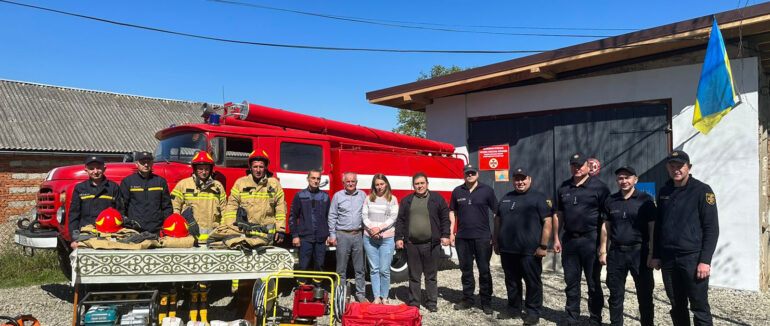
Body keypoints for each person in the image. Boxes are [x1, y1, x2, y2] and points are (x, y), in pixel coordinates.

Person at [650, 150, 719, 326]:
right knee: (676, 305)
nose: (676, 170)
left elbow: (711, 229)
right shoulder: (665, 190)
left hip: (693, 259)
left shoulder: (703, 191)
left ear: (689, 167)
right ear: (667, 167)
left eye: (680, 166)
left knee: (699, 306)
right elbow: (659, 226)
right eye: (672, 166)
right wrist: (656, 254)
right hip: (669, 260)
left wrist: (705, 261)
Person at [553, 152, 609, 326]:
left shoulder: (600, 187)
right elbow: (558, 214)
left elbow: (606, 219)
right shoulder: (563, 187)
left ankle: (595, 319)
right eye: (573, 165)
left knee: (593, 284)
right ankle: (572, 319)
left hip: (591, 240)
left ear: (587, 166)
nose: (577, 168)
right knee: (571, 283)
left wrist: (603, 246)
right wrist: (556, 238)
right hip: (570, 241)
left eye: (580, 165)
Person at [493, 167, 552, 325]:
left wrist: (544, 245)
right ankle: (513, 308)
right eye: (517, 179)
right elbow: (497, 220)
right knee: (511, 281)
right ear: (513, 180)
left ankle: (533, 312)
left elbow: (548, 221)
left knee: (532, 282)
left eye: (523, 178)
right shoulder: (506, 197)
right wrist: (496, 241)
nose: (520, 182)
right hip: (507, 249)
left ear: (529, 179)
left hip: (530, 251)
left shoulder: (538, 198)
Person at [599, 166, 655, 326]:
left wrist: (652, 252)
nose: (624, 181)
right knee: (615, 295)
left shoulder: (646, 200)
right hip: (616, 252)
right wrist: (603, 250)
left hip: (640, 253)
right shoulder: (610, 200)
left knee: (645, 296)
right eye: (620, 178)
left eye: (627, 177)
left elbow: (653, 228)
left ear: (635, 180)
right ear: (617, 181)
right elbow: (605, 227)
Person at [395, 172, 450, 312]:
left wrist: (445, 235)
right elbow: (400, 220)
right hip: (412, 245)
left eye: (422, 183)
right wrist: (398, 238)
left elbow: (444, 218)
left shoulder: (437, 199)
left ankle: (432, 303)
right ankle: (414, 303)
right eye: (417, 184)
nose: (419, 186)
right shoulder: (408, 200)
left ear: (427, 183)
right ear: (413, 185)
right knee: (414, 276)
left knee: (431, 276)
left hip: (432, 244)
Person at [449, 164, 497, 314]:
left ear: (477, 174)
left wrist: (495, 235)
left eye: (472, 173)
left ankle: (486, 302)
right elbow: (452, 212)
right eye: (467, 173)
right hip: (462, 238)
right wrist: (451, 232)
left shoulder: (487, 190)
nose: (469, 175)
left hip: (482, 238)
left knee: (484, 270)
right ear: (464, 175)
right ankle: (468, 299)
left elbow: (496, 213)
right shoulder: (457, 191)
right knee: (466, 270)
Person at [223, 150, 286, 243]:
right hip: (245, 235)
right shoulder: (241, 183)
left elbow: (280, 207)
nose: (258, 170)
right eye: (255, 166)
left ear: (265, 168)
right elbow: (232, 206)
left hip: (267, 236)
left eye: (261, 167)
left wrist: (280, 229)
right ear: (250, 167)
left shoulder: (274, 184)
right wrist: (232, 227)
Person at [328, 172, 368, 303]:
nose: (350, 184)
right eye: (348, 181)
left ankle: (361, 294)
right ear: (343, 183)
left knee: (360, 268)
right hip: (342, 235)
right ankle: (340, 294)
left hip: (358, 235)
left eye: (353, 181)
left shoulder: (363, 195)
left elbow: (367, 213)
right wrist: (332, 235)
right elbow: (332, 216)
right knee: (341, 269)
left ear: (356, 182)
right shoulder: (337, 196)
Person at [170, 151, 227, 241]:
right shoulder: (183, 185)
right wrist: (180, 225)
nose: (204, 172)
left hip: (212, 239)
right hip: (190, 238)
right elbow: (174, 208)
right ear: (195, 169)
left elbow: (224, 210)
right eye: (200, 169)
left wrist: (222, 230)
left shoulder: (217, 186)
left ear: (211, 169)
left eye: (207, 169)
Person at [68, 155, 121, 248]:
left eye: (98, 168)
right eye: (91, 169)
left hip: (108, 235)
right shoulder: (80, 188)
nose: (95, 171)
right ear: (86, 170)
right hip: (85, 235)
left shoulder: (113, 188)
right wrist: (74, 239)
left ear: (104, 169)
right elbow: (74, 215)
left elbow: (120, 212)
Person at [288, 169, 331, 285]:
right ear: (308, 179)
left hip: (321, 238)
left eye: (318, 178)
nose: (316, 181)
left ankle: (318, 288)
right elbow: (292, 216)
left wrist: (329, 235)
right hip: (305, 237)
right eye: (313, 178)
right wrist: (295, 235)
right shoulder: (300, 196)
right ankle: (301, 289)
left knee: (319, 265)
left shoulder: (325, 197)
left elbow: (329, 218)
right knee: (303, 265)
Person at [362, 173, 399, 304]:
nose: (379, 187)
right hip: (369, 238)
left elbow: (393, 217)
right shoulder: (368, 199)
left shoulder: (392, 199)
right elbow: (364, 216)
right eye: (377, 184)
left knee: (384, 269)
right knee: (374, 269)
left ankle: (385, 296)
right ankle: (376, 297)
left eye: (381, 184)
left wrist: (380, 228)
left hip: (387, 238)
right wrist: (372, 229)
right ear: (374, 186)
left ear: (386, 184)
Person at [119, 151, 173, 234]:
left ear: (152, 163)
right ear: (137, 164)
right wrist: (127, 224)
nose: (146, 165)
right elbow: (122, 207)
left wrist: (165, 225)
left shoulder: (160, 182)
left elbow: (167, 207)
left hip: (156, 230)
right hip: (135, 230)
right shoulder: (128, 182)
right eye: (143, 162)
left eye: (149, 162)